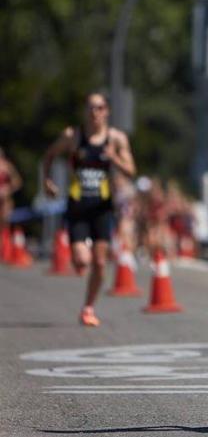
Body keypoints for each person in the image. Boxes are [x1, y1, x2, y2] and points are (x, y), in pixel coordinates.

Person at [42, 92, 136, 326]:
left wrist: (114, 158)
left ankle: (88, 307)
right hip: (78, 206)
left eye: (101, 108)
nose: (96, 112)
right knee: (81, 260)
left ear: (107, 112)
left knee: (101, 263)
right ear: (85, 111)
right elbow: (50, 155)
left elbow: (131, 170)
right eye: (92, 108)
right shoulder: (72, 136)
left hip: (103, 208)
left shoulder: (116, 139)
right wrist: (47, 181)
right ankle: (80, 261)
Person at [0, 147, 23, 234]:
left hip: (5, 200)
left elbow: (18, 182)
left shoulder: (8, 166)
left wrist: (7, 189)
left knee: (5, 222)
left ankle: (5, 244)